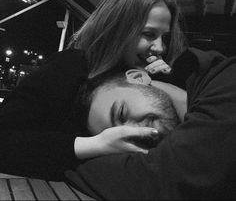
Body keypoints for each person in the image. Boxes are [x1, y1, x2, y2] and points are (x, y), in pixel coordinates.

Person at [0, 0, 186, 179]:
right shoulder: (69, 67)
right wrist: (94, 145)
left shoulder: (144, 77)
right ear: (119, 29)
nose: (160, 48)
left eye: (164, 37)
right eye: (149, 34)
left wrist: (161, 85)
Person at [65, 47, 236, 200]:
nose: (135, 132)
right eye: (121, 136)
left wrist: (67, 163)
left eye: (122, 113)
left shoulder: (226, 82)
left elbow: (165, 182)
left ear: (138, 77)